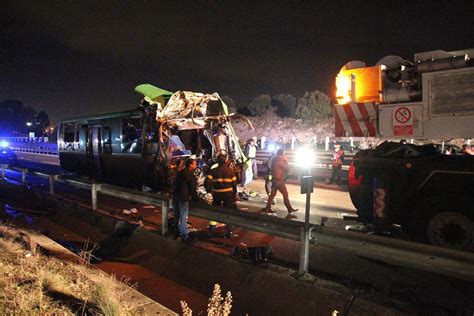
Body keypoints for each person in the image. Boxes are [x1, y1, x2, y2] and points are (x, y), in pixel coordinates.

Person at [206, 153, 237, 238]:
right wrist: (234, 194)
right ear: (225, 161)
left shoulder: (213, 171)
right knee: (228, 213)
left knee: (215, 213)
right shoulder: (230, 170)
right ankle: (229, 232)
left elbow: (207, 182)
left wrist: (209, 191)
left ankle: (211, 232)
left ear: (217, 161)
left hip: (217, 194)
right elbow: (234, 184)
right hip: (228, 195)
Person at [172, 158, 198, 242]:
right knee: (183, 216)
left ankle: (176, 232)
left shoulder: (180, 173)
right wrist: (196, 199)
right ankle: (184, 236)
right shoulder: (190, 175)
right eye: (195, 164)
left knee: (176, 215)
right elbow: (192, 188)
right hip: (183, 198)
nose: (196, 165)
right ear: (190, 165)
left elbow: (174, 183)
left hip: (175, 196)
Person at [265, 149, 298, 214]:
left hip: (274, 178)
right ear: (282, 153)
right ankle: (289, 208)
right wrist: (287, 163)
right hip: (279, 178)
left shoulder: (274, 158)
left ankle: (268, 208)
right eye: (284, 153)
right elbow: (286, 168)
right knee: (285, 194)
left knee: (272, 194)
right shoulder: (282, 159)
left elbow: (271, 166)